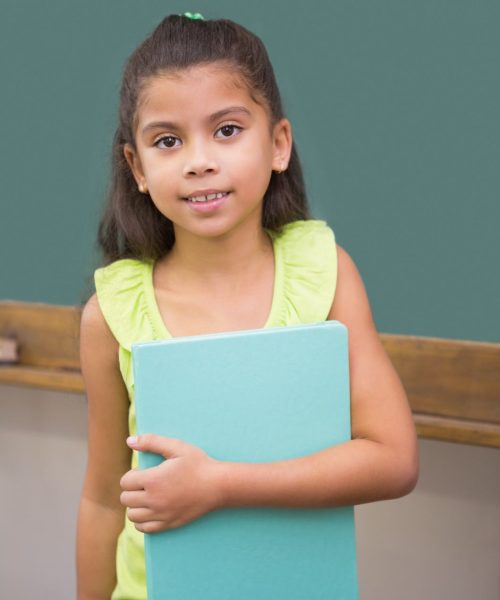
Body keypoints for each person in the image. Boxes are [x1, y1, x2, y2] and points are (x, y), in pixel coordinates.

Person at [76, 13, 418, 600]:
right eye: (167, 141)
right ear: (137, 167)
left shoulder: (325, 272)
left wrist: (220, 485)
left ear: (279, 144)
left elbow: (393, 460)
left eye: (227, 130)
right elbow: (105, 497)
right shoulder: (110, 312)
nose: (199, 160)